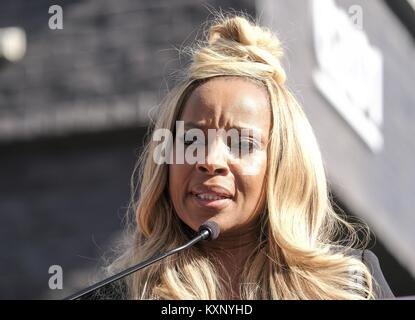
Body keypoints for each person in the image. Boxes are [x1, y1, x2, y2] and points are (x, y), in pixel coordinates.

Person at [93, 13, 394, 300]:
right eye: (190, 140)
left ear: (282, 166)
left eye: (242, 144)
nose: (210, 160)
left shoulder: (350, 285)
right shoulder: (122, 292)